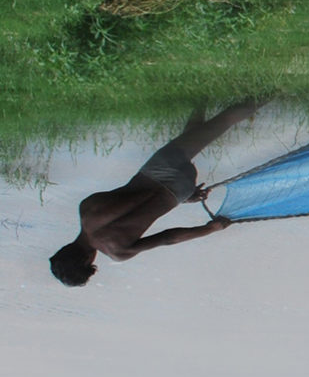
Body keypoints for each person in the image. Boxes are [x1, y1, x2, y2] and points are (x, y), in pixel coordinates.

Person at [48, 101, 260, 287]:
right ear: (65, 248)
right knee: (220, 123)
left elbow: (168, 238)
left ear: (86, 261)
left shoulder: (118, 252)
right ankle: (276, 91)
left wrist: (209, 229)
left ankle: (202, 98)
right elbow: (138, 196)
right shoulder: (87, 210)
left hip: (178, 191)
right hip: (159, 171)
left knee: (193, 138)